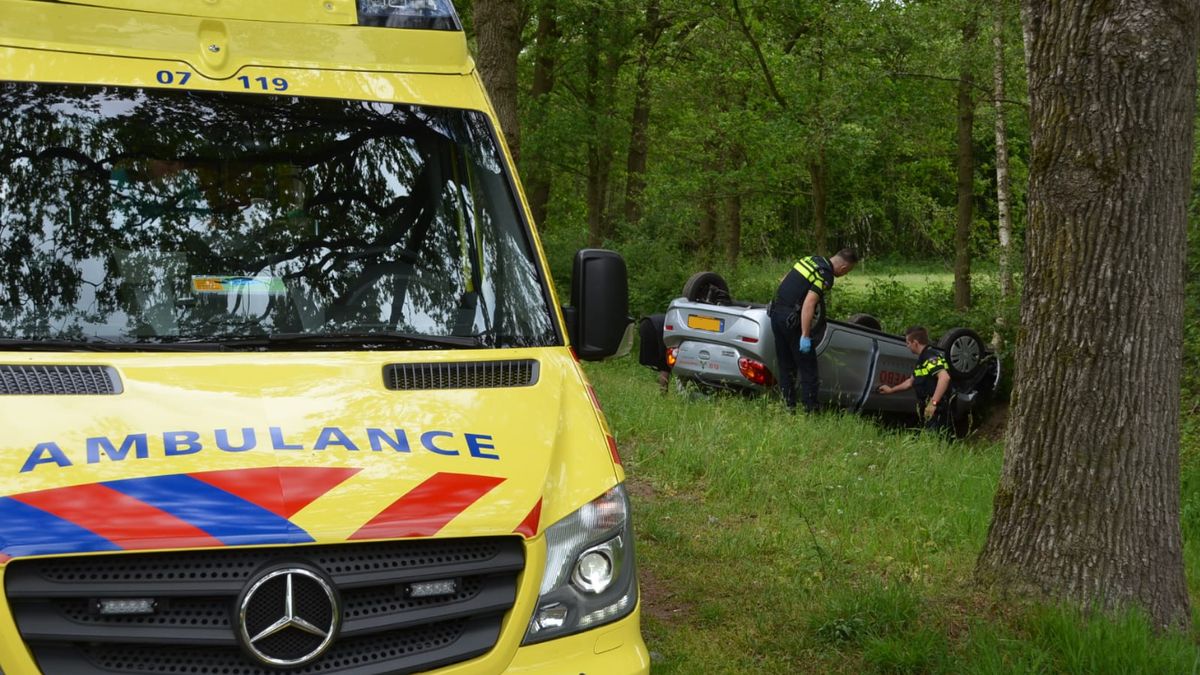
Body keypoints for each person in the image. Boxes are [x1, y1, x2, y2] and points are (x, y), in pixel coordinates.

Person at [769, 248, 859, 412]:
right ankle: (810, 410)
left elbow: (783, 281)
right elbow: (809, 304)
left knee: (786, 365)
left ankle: (788, 406)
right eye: (848, 271)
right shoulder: (825, 275)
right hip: (792, 322)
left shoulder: (810, 259)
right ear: (844, 268)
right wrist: (805, 334)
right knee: (808, 368)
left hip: (776, 314)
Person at [877, 326, 954, 436]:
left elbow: (944, 378)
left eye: (908, 343)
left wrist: (933, 403)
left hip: (937, 409)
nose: (907, 346)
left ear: (915, 342)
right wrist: (891, 390)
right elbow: (910, 382)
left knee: (934, 441)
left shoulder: (930, 357)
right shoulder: (922, 360)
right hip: (928, 408)